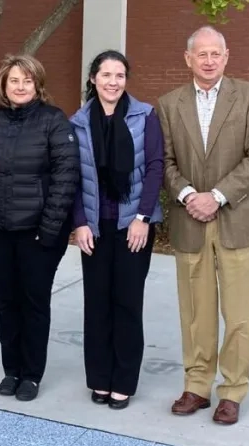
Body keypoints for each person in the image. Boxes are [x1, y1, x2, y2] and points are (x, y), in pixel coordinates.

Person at [158, 26, 249, 425]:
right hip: (191, 221)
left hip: (237, 218)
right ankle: (197, 385)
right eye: (200, 54)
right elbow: (164, 161)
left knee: (238, 315)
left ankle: (233, 391)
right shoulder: (169, 104)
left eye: (215, 54)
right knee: (196, 312)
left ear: (226, 56)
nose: (208, 60)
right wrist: (187, 196)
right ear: (188, 59)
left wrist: (215, 196)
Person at [0, 54, 79, 402]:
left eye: (27, 81)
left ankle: (31, 374)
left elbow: (65, 176)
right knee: (6, 301)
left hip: (38, 233)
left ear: (37, 84)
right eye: (14, 80)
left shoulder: (53, 121)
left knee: (33, 301)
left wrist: (49, 229)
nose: (20, 86)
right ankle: (11, 370)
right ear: (3, 83)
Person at [70, 50, 164, 410]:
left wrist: (142, 217)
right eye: (106, 74)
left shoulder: (145, 116)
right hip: (94, 227)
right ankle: (99, 378)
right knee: (96, 304)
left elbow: (155, 168)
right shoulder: (77, 122)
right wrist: (79, 223)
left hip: (132, 228)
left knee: (126, 303)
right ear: (93, 78)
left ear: (127, 79)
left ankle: (123, 381)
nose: (113, 82)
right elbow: (73, 177)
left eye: (120, 75)